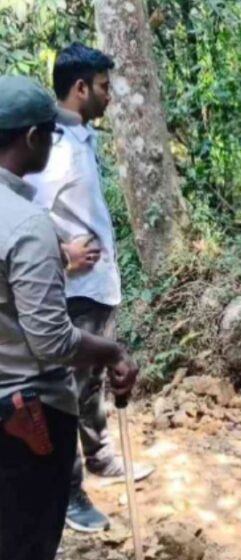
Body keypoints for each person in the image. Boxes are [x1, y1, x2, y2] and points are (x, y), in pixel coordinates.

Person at [0, 75, 139, 560]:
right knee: (27, 539)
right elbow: (52, 341)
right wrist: (114, 351)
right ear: (33, 139)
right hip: (24, 414)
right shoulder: (26, 222)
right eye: (51, 133)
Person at [26, 43, 153, 534]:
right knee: (64, 391)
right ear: (80, 88)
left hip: (97, 288)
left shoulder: (81, 138)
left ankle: (99, 457)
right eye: (103, 87)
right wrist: (63, 252)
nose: (109, 97)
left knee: (91, 383)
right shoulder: (51, 147)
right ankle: (71, 493)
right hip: (74, 289)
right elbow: (21, 214)